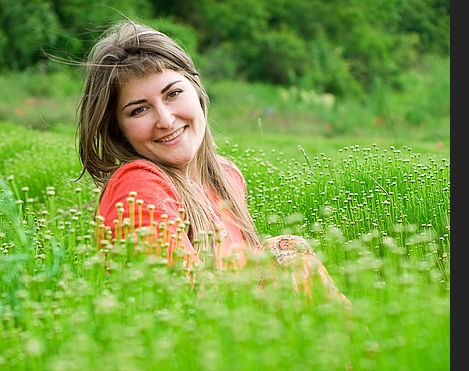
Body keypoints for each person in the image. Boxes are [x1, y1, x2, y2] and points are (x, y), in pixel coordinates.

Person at [78, 20, 351, 309]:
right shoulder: (138, 188)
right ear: (118, 128)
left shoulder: (226, 177)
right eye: (139, 110)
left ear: (196, 89)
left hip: (253, 339)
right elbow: (185, 306)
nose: (165, 120)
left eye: (173, 94)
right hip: (196, 347)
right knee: (284, 252)